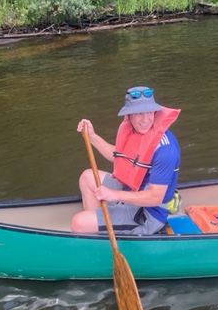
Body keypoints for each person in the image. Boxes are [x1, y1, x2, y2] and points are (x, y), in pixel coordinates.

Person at [71, 86, 181, 234]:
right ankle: (103, 228)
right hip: (130, 190)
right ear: (129, 115)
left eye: (149, 112)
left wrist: (113, 194)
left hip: (148, 212)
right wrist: (91, 136)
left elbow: (155, 197)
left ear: (155, 112)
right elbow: (119, 157)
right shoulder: (133, 131)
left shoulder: (165, 149)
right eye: (139, 113)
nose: (145, 119)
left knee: (79, 223)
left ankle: (96, 226)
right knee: (87, 177)